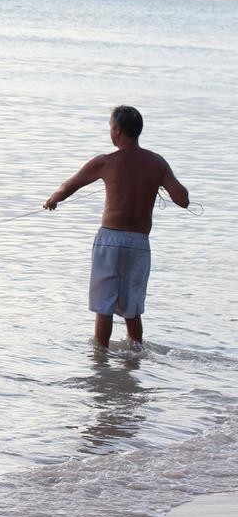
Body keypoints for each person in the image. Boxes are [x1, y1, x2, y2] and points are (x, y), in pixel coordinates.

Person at [43, 106, 189, 348]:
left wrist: (52, 201)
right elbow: (183, 200)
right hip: (138, 243)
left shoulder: (105, 162)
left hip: (110, 240)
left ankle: (100, 363)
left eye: (111, 127)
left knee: (104, 306)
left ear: (117, 130)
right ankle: (134, 361)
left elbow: (68, 187)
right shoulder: (157, 163)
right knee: (132, 309)